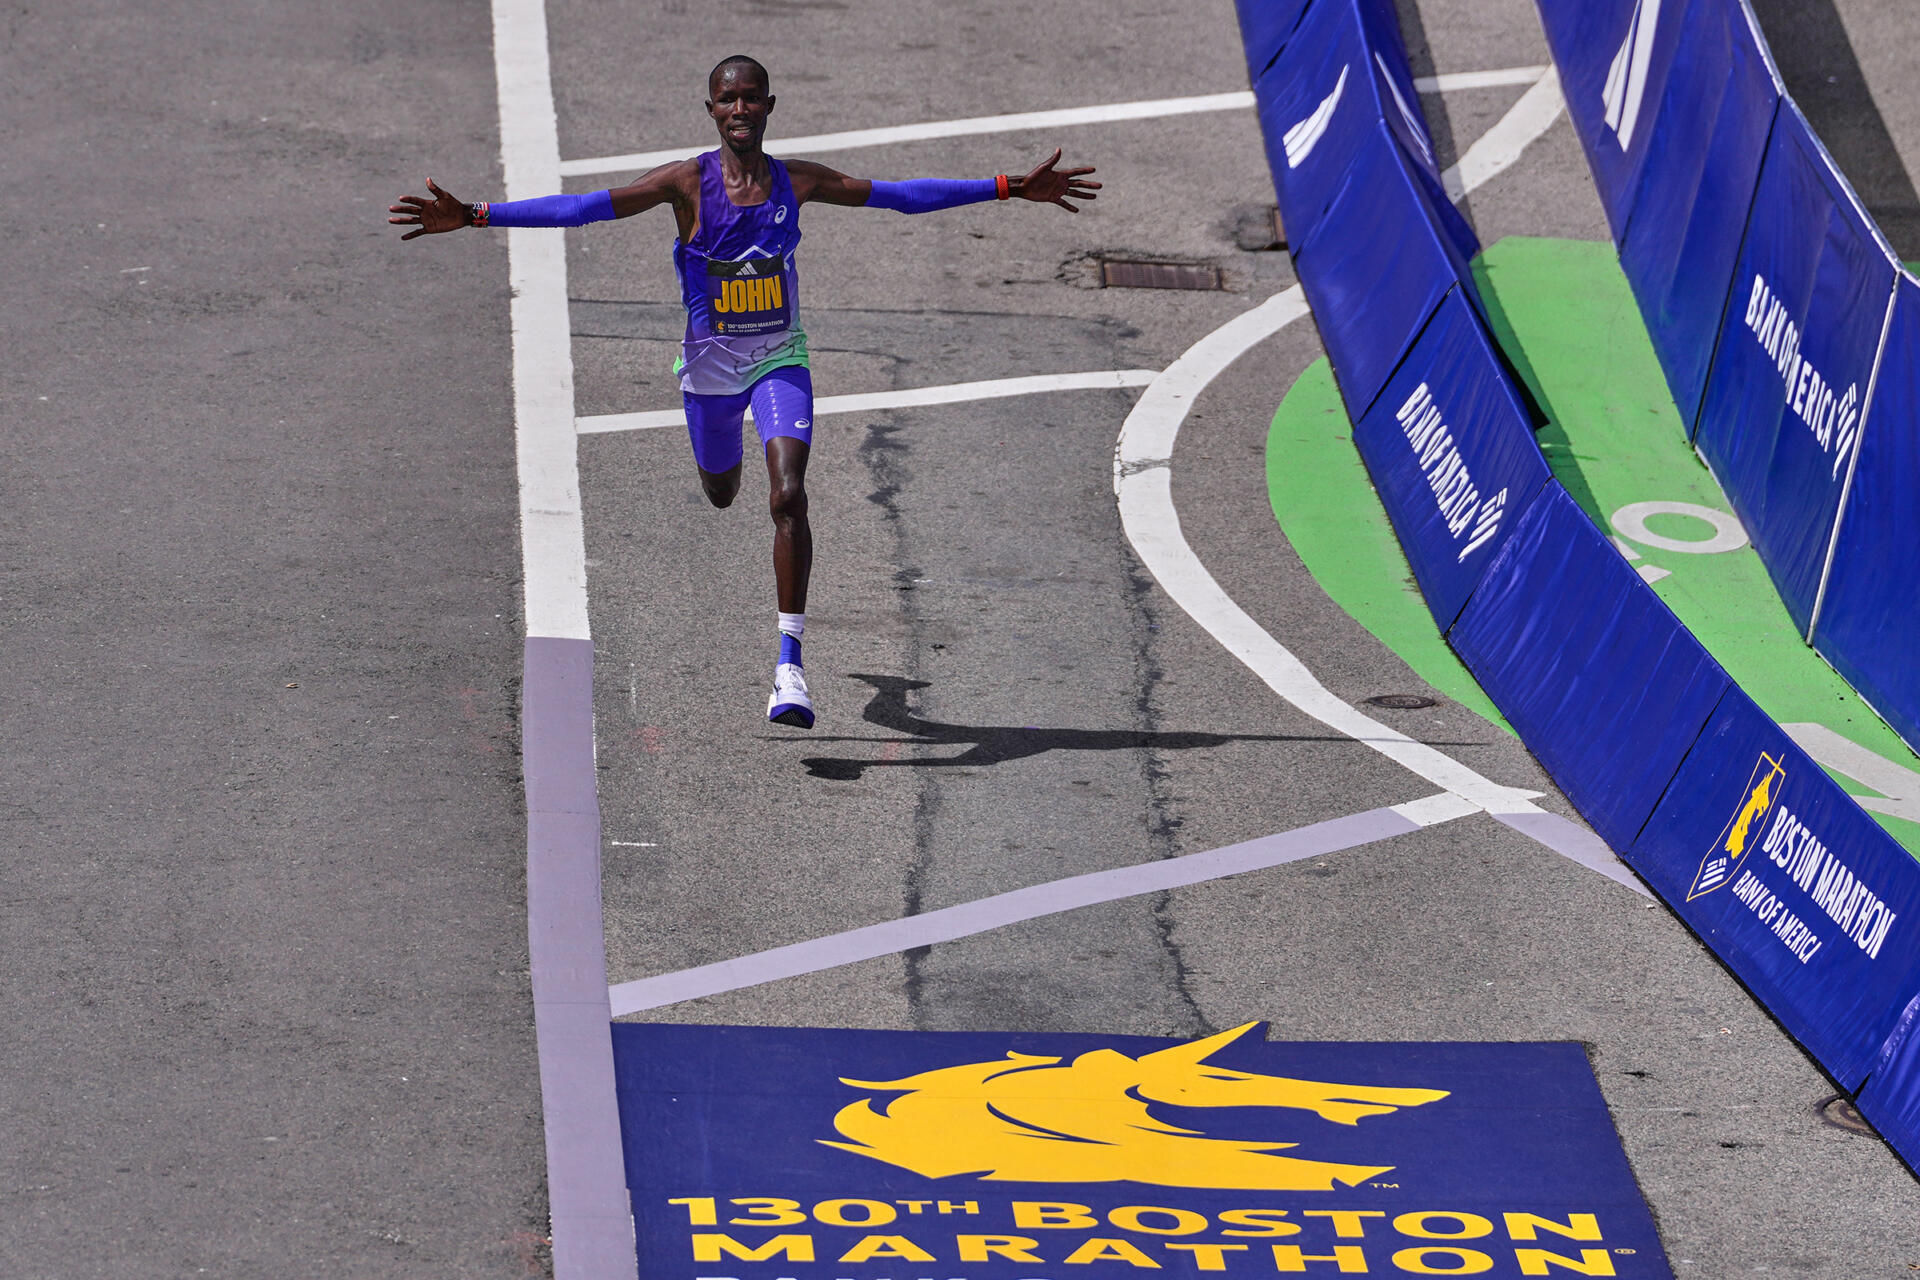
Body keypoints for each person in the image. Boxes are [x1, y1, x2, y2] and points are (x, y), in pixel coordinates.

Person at [391, 54, 1098, 729]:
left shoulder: (799, 181)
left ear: (768, 107)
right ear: (711, 110)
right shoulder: (686, 184)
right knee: (722, 489)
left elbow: (900, 199)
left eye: (750, 97)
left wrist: (1006, 187)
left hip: (778, 359)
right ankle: (721, 465)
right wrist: (478, 215)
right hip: (709, 372)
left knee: (788, 494)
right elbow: (581, 209)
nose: (739, 108)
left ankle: (789, 665)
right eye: (726, 98)